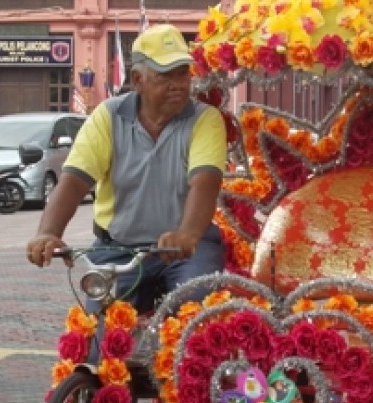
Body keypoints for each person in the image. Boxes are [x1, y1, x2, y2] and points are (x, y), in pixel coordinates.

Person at [27, 22, 227, 318]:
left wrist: (187, 234)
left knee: (196, 311)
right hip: (118, 248)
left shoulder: (204, 119)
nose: (179, 84)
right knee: (98, 328)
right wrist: (48, 233)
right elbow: (73, 181)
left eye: (183, 73)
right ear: (137, 79)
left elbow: (205, 182)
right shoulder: (108, 116)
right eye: (165, 75)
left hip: (188, 249)